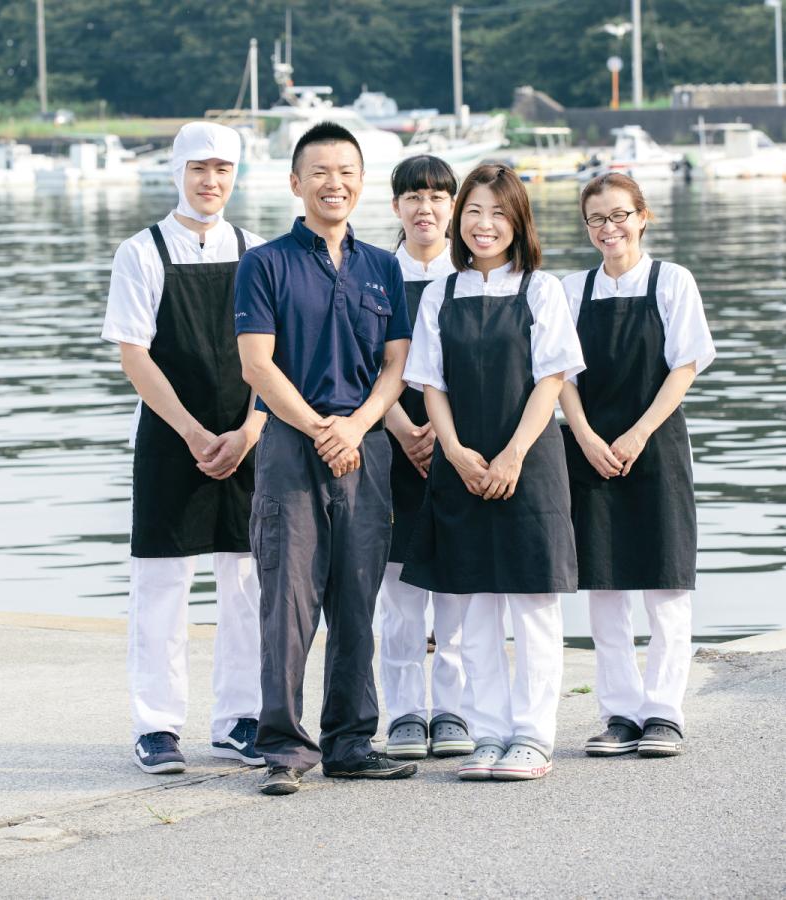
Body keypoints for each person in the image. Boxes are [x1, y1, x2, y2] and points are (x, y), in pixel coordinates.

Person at [234, 121, 416, 796]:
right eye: (320, 172)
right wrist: (319, 428)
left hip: (366, 448)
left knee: (355, 595)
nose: (333, 183)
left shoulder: (382, 267)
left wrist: (360, 425)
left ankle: (349, 742)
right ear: (295, 183)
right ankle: (282, 748)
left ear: (361, 183)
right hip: (291, 445)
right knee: (287, 599)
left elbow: (396, 364)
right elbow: (257, 365)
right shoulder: (266, 263)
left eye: (346, 172)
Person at [401, 163, 584, 781]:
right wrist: (452, 451)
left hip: (528, 464)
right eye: (474, 211)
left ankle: (533, 736)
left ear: (519, 222)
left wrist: (512, 454)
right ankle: (488, 734)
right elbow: (430, 383)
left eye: (499, 213)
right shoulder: (439, 293)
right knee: (475, 603)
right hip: (461, 464)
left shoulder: (541, 289)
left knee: (532, 604)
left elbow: (551, 380)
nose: (484, 225)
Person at [102, 122, 266, 774]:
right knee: (162, 584)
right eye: (199, 168)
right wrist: (193, 431)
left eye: (223, 169)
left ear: (236, 175)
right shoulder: (140, 251)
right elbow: (133, 355)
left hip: (247, 434)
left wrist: (251, 428)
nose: (210, 181)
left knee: (248, 583)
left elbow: (271, 354)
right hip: (172, 440)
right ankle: (158, 726)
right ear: (177, 172)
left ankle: (241, 720)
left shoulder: (257, 250)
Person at [559, 173, 715, 759]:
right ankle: (619, 713)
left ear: (642, 217)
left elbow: (685, 367)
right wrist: (587, 436)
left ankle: (664, 713)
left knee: (666, 582)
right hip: (590, 445)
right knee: (604, 584)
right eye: (596, 219)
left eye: (619, 215)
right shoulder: (571, 290)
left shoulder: (672, 281)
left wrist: (637, 433)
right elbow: (559, 375)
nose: (609, 228)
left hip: (657, 443)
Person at [378, 155, 473, 761]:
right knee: (399, 594)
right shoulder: (373, 273)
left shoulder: (469, 278)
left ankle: (456, 711)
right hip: (386, 443)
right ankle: (406, 712)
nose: (426, 208)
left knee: (458, 588)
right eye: (414, 196)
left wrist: (439, 432)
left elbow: (484, 363)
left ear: (454, 209)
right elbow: (361, 361)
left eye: (439, 197)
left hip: (459, 442)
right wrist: (401, 425)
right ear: (395, 207)